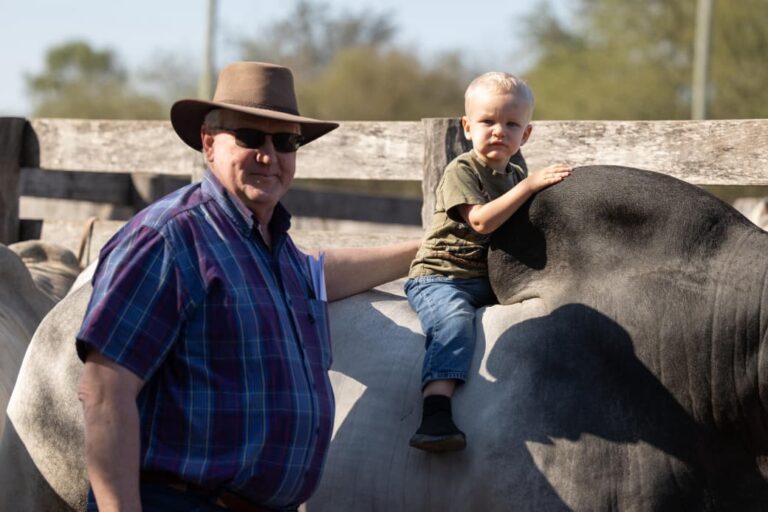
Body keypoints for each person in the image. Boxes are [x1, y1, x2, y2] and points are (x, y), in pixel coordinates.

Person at [76, 61, 419, 512]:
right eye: (250, 137)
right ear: (208, 143)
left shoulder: (271, 246)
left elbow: (318, 273)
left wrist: (424, 249)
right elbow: (104, 389)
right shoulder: (169, 238)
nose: (268, 155)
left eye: (285, 141)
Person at [405, 71, 571, 452]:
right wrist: (530, 187)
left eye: (512, 124)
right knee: (454, 325)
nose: (499, 131)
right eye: (487, 121)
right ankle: (435, 411)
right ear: (467, 127)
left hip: (485, 279)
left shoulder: (514, 174)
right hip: (441, 277)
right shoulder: (462, 170)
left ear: (525, 135)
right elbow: (480, 221)